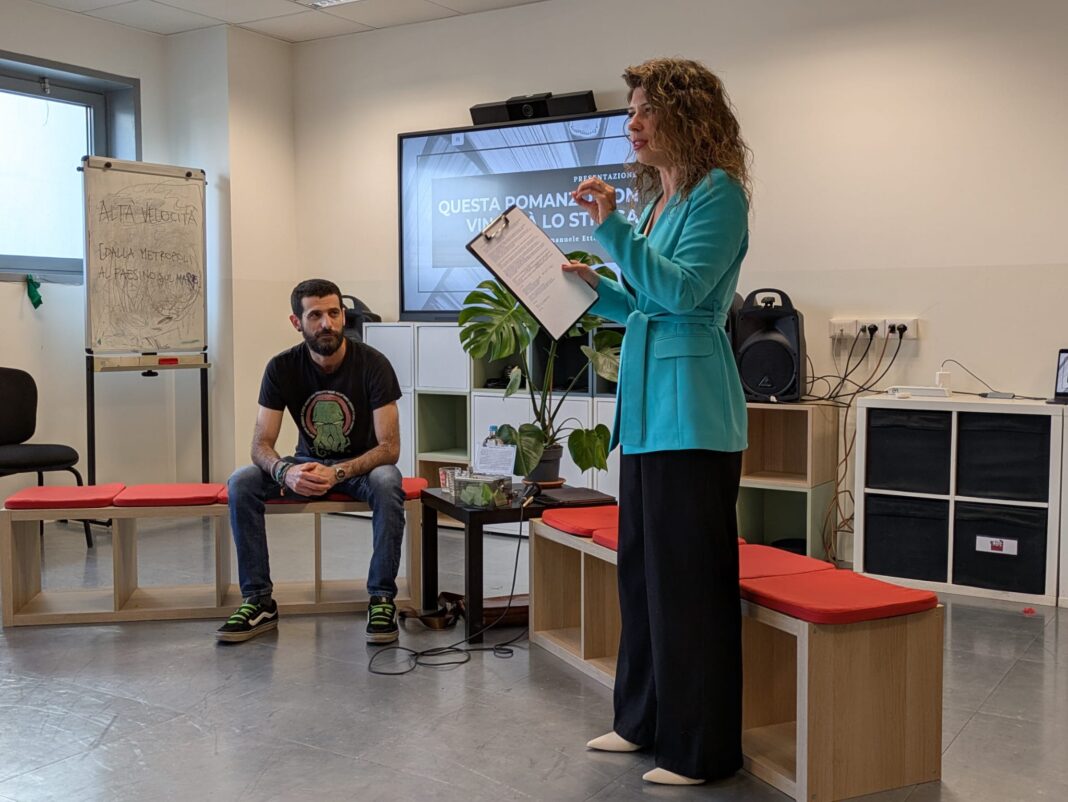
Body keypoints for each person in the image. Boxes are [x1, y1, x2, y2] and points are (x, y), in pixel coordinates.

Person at [563, 58, 751, 785]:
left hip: (692, 416)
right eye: (630, 111)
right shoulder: (661, 202)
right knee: (642, 577)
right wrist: (594, 287)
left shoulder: (718, 193)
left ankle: (699, 750)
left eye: (646, 110)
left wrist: (611, 232)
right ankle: (639, 722)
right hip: (645, 418)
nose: (632, 124)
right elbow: (643, 302)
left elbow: (682, 293)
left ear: (687, 116)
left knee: (688, 588)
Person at [217, 279, 405, 645]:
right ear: (297, 322)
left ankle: (382, 597)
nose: (327, 323)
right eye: (315, 315)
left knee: (387, 479)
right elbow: (260, 445)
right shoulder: (281, 367)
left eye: (334, 313)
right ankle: (258, 601)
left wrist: (338, 472)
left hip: (359, 468)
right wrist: (286, 471)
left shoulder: (374, 364)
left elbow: (389, 448)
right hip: (304, 465)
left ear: (343, 315)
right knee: (242, 481)